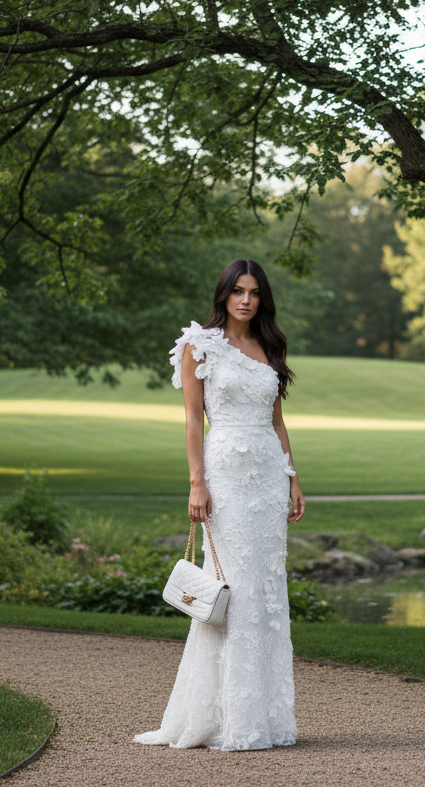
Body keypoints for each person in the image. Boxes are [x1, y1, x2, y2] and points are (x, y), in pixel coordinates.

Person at [133, 258, 305, 751]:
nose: (246, 300)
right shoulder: (199, 345)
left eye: (254, 292)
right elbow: (192, 420)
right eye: (238, 291)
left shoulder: (270, 346)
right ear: (224, 294)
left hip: (269, 479)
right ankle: (224, 719)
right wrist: (196, 482)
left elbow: (277, 423)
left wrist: (293, 478)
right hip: (225, 476)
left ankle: (262, 719)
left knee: (267, 592)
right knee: (234, 589)